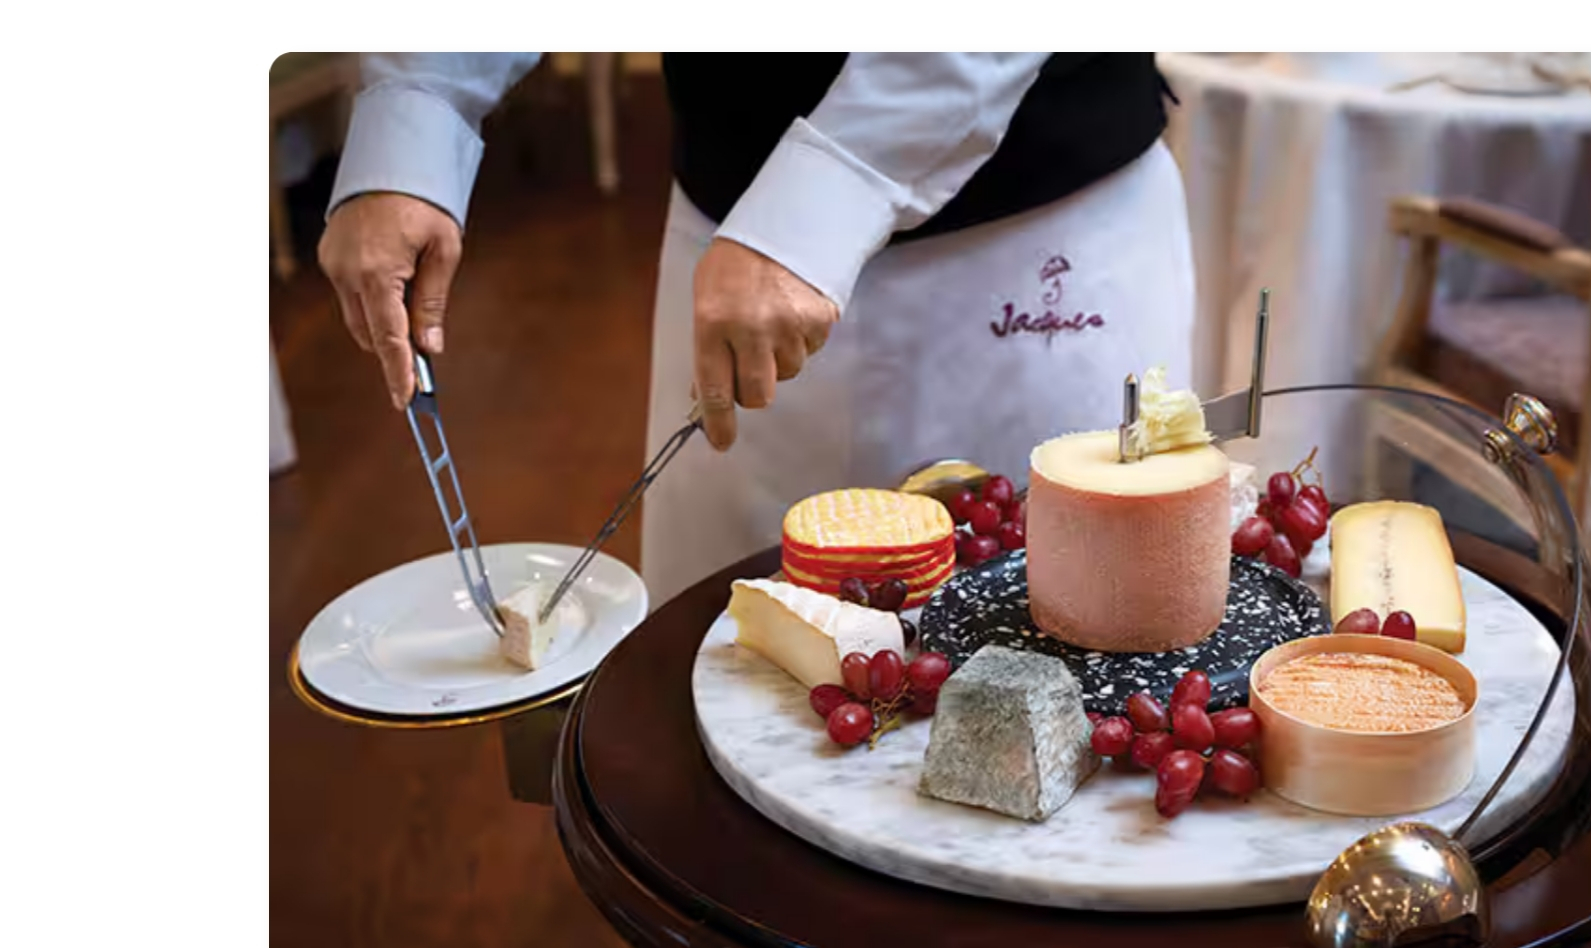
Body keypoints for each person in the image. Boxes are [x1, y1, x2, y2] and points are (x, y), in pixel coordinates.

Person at [320, 52, 1197, 605]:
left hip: (1031, 237)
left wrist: (835, 191)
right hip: (729, 239)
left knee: (1060, 640)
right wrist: (419, 106)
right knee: (720, 673)